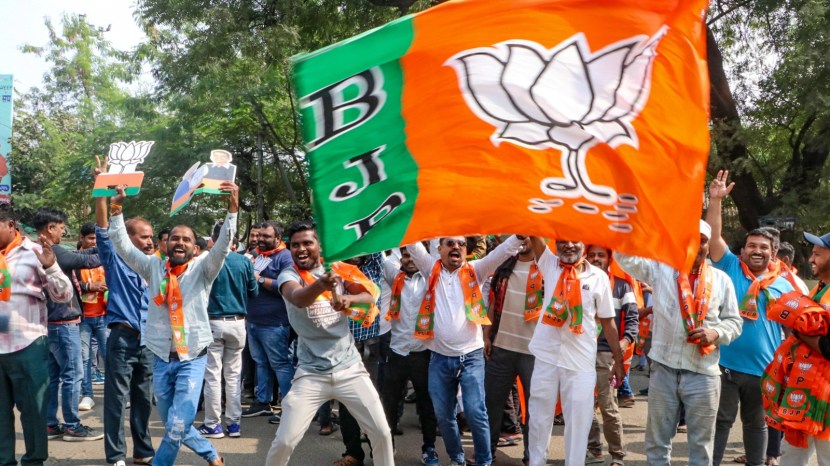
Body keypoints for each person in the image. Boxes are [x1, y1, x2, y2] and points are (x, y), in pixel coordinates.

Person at [108, 180, 239, 466]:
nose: (180, 242)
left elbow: (224, 247)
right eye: (175, 238)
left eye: (187, 239)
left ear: (195, 246)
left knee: (179, 423)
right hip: (160, 356)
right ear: (165, 243)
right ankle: (211, 455)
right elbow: (120, 244)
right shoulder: (152, 266)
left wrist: (232, 210)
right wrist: (116, 206)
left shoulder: (204, 269)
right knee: (173, 424)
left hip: (192, 356)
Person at [264, 220, 393, 466]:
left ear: (319, 246)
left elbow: (367, 296)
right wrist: (320, 285)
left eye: (307, 243)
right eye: (295, 245)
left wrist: (347, 299)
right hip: (311, 374)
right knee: (285, 441)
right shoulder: (288, 274)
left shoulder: (339, 268)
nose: (301, 249)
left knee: (382, 433)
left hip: (350, 369)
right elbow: (298, 298)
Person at [616, 219, 742, 466]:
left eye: (702, 241)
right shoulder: (661, 269)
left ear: (707, 246)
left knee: (701, 443)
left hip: (704, 372)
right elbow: (625, 258)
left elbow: (734, 322)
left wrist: (715, 334)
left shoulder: (722, 280)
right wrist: (632, 222)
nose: (695, 246)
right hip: (664, 368)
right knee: (657, 441)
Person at [408, 235, 524, 466]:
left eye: (461, 244)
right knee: (444, 416)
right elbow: (412, 244)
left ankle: (483, 461)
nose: (456, 247)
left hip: (471, 358)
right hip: (439, 358)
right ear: (438, 249)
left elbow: (499, 253)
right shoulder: (431, 269)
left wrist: (518, 236)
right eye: (450, 243)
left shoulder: (475, 271)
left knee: (475, 412)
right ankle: (457, 458)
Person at [706, 170, 793, 466]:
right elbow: (713, 235)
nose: (757, 251)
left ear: (774, 253)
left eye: (763, 248)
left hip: (764, 370)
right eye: (752, 246)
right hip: (724, 365)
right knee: (719, 423)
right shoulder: (729, 266)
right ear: (743, 250)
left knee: (757, 425)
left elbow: (795, 329)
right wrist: (715, 200)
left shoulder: (785, 284)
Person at [525, 238, 624, 466]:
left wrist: (617, 361)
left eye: (575, 241)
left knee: (579, 425)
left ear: (584, 245)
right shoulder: (549, 263)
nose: (568, 245)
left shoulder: (598, 277)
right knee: (539, 421)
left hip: (580, 363)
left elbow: (608, 323)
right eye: (562, 241)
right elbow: (534, 230)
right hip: (546, 357)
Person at [92, 162, 157, 466]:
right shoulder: (116, 261)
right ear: (128, 237)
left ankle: (143, 451)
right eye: (143, 236)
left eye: (151, 236)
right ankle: (115, 455)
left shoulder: (154, 266)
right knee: (117, 401)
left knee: (144, 400)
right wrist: (102, 189)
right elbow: (103, 230)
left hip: (148, 343)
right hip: (121, 339)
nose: (150, 241)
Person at [0, 201, 73, 465]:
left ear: (10, 225)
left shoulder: (35, 252)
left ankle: (34, 460)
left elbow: (64, 296)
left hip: (27, 345)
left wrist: (52, 267)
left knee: (32, 412)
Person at [34, 207, 105, 441]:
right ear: (50, 228)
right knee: (73, 374)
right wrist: (110, 245)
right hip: (64, 323)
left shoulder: (39, 251)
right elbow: (91, 259)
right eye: (62, 227)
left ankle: (50, 424)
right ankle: (72, 425)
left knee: (54, 377)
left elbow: (87, 253)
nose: (64, 231)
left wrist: (101, 244)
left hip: (50, 323)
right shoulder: (54, 252)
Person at [770, 230, 830, 464]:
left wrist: (798, 328)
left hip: (825, 402)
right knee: (792, 459)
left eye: (817, 254)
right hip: (803, 395)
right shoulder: (819, 288)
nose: (811, 259)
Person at [482, 236, 540, 466]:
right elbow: (493, 303)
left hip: (533, 352)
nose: (524, 239)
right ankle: (486, 453)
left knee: (533, 408)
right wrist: (487, 335)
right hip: (501, 348)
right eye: (519, 235)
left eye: (529, 235)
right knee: (492, 405)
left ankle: (532, 456)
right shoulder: (504, 267)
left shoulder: (546, 269)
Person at [379, 247, 439, 465]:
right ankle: (388, 448)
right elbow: (380, 254)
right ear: (400, 259)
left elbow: (432, 249)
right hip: (397, 351)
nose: (410, 259)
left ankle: (429, 449)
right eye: (405, 255)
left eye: (414, 255)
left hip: (423, 353)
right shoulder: (394, 276)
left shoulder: (432, 277)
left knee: (426, 405)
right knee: (389, 404)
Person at [197, 223, 258, 439]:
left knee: (213, 375)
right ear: (234, 240)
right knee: (233, 376)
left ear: (214, 239)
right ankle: (234, 424)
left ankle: (213, 425)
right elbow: (254, 291)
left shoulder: (206, 260)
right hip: (238, 323)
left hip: (212, 322)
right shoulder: (244, 261)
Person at [584, 245, 639, 465]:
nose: (596, 259)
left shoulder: (623, 286)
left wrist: (624, 343)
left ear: (609, 259)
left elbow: (633, 319)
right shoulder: (578, 281)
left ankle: (617, 455)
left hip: (607, 354)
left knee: (608, 407)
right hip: (580, 353)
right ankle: (594, 450)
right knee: (583, 406)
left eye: (601, 255)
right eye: (592, 255)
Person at [241, 220, 294, 423]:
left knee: (280, 364)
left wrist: (260, 280)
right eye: (258, 236)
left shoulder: (285, 256)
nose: (259, 240)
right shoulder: (258, 256)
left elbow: (288, 284)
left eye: (265, 237)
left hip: (275, 323)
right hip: (253, 320)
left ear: (278, 238)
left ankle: (289, 407)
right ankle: (263, 403)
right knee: (260, 362)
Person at [76, 222, 109, 412]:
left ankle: (116, 394)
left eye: (97, 238)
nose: (94, 242)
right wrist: (90, 287)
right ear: (81, 238)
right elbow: (69, 284)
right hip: (82, 318)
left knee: (109, 357)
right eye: (90, 238)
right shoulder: (74, 259)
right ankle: (87, 395)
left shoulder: (105, 258)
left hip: (104, 315)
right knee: (85, 359)